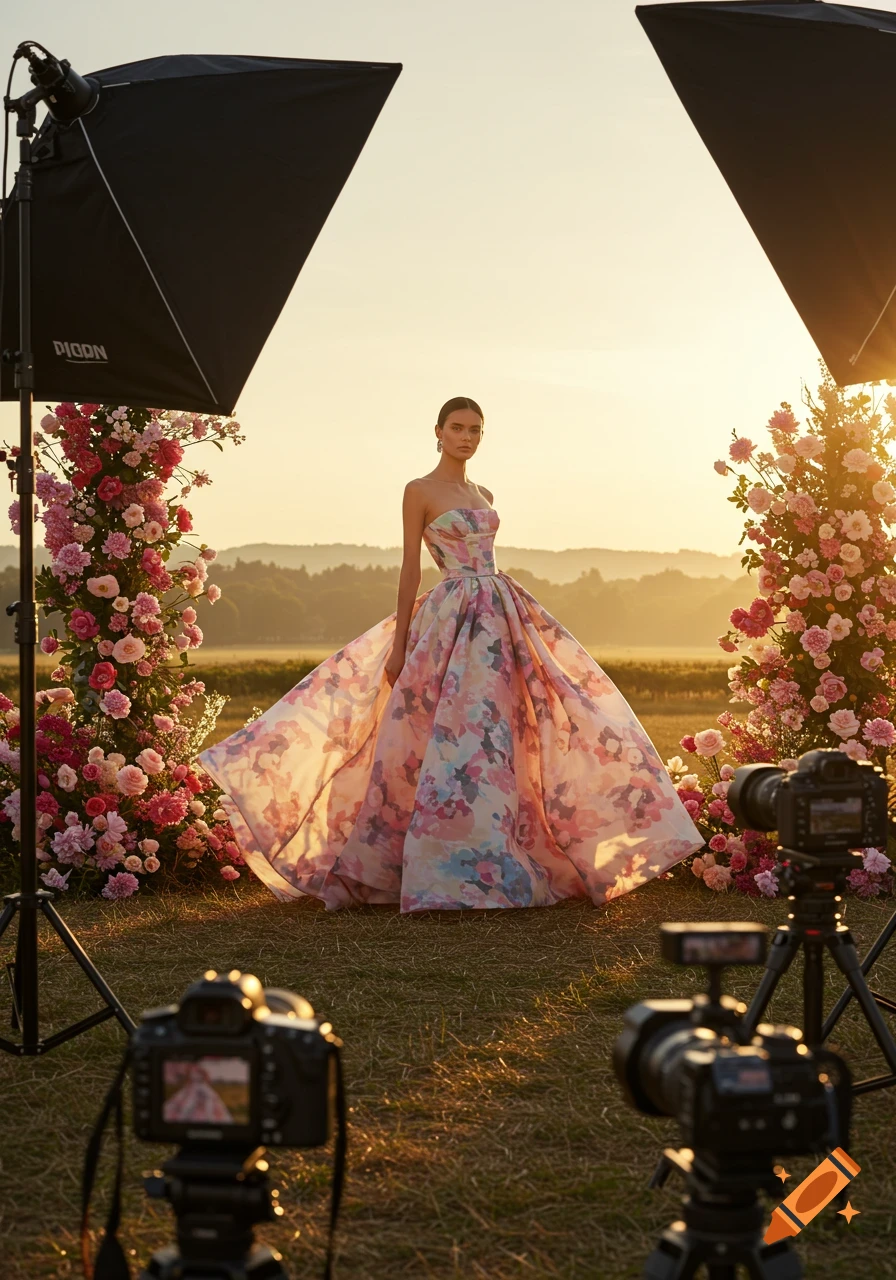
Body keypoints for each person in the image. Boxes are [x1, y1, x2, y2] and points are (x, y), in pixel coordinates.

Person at [199, 396, 703, 911]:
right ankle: (444, 864)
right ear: (437, 432)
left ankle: (506, 847)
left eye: (476, 430)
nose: (467, 437)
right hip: (452, 614)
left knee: (511, 727)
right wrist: (398, 644)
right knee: (449, 731)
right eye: (458, 428)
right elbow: (410, 570)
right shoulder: (418, 490)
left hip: (501, 610)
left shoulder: (483, 492)